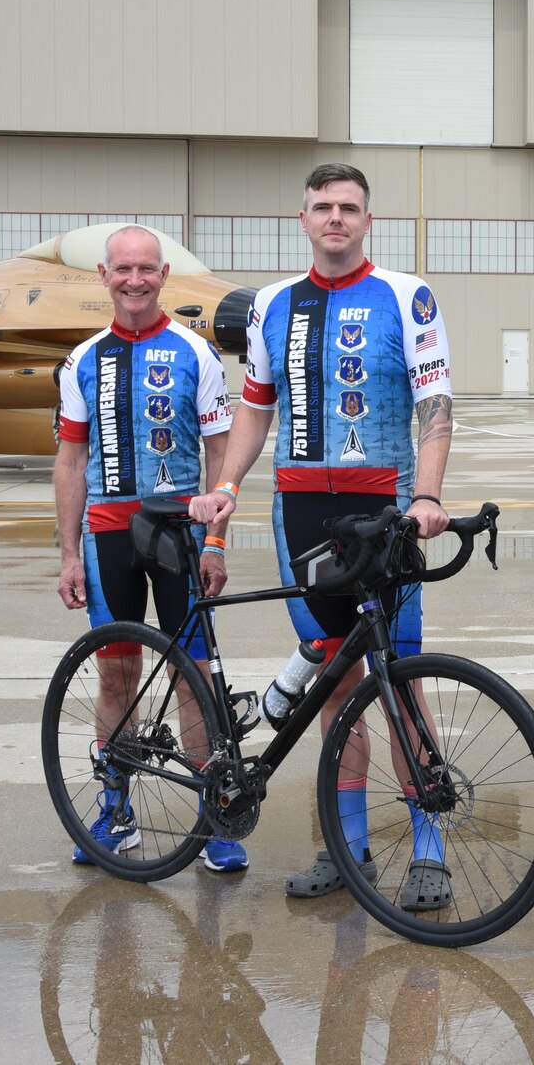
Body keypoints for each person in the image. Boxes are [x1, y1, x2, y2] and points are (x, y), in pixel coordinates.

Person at [189, 163, 455, 908]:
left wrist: (428, 496)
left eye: (348, 207)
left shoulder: (408, 295)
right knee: (338, 690)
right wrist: (228, 488)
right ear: (303, 217)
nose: (335, 217)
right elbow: (254, 409)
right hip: (301, 510)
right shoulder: (273, 304)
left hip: (385, 509)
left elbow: (436, 405)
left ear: (367, 219)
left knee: (401, 682)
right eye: (322, 207)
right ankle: (348, 847)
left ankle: (429, 844)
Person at [55, 224, 236, 869]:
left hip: (179, 532)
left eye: (146, 269)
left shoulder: (196, 352)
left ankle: (216, 816)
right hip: (107, 534)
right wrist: (69, 554)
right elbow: (71, 462)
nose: (135, 280)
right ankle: (115, 808)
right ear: (103, 276)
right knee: (117, 671)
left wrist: (214, 541)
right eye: (122, 269)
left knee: (194, 674)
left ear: (163, 276)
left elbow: (221, 454)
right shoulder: (82, 360)